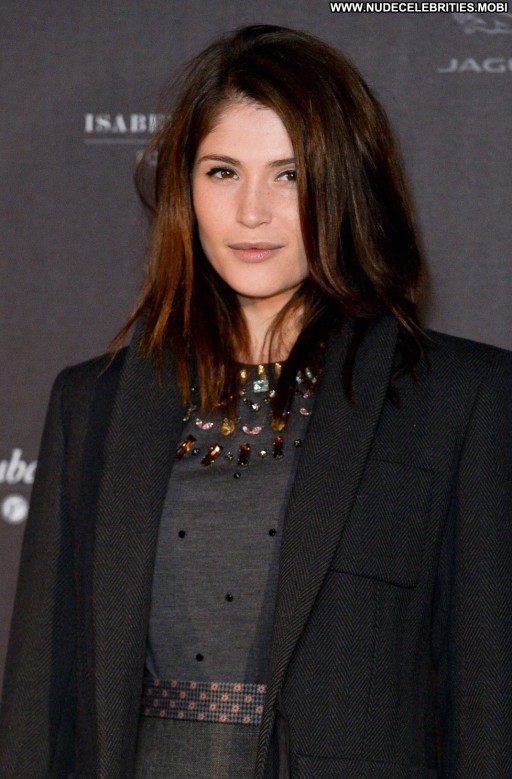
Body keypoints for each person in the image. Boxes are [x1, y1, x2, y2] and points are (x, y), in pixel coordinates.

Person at [0, 23, 511, 779]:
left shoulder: (459, 398)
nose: (251, 212)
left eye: (290, 175)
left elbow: (487, 708)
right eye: (222, 172)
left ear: (346, 184)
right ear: (185, 188)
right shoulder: (91, 405)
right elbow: (40, 706)